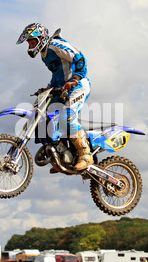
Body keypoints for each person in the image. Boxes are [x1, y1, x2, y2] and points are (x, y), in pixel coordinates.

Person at [16, 23, 93, 171]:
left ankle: (86, 155)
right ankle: (62, 154)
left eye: (32, 42)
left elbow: (80, 59)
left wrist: (75, 79)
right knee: (48, 116)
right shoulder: (44, 56)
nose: (31, 46)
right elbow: (58, 74)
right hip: (62, 89)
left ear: (41, 38)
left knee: (67, 117)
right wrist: (49, 87)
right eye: (29, 43)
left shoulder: (56, 45)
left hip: (78, 86)